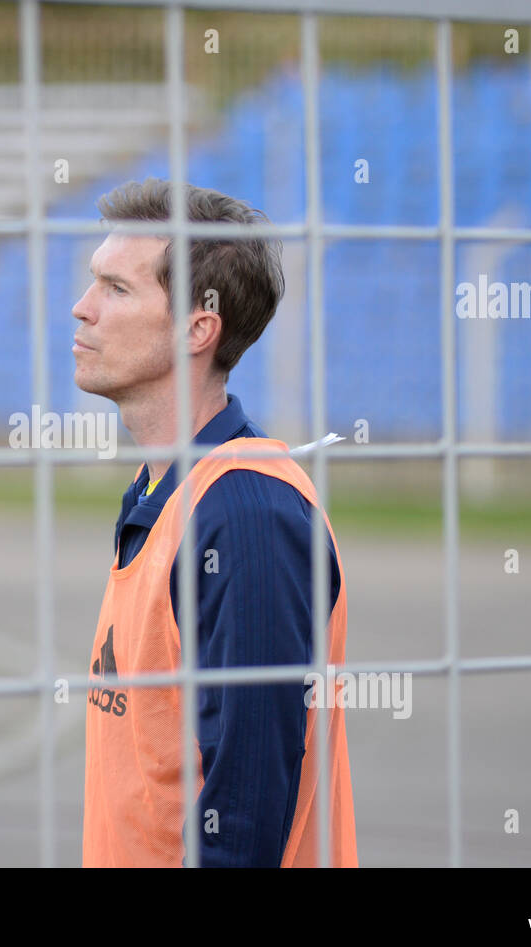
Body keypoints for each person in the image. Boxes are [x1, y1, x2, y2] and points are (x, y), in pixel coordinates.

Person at [73, 177, 357, 867]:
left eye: (116, 290)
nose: (82, 310)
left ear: (198, 329)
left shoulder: (245, 514)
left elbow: (244, 821)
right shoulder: (164, 490)